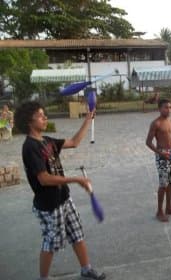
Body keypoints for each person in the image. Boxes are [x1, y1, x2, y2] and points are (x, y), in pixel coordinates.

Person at [14, 102, 105, 280]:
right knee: (52, 242)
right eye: (40, 116)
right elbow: (44, 178)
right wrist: (76, 179)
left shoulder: (46, 140)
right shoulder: (30, 147)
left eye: (44, 114)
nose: (45, 117)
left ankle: (86, 269)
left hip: (63, 197)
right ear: (28, 122)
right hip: (49, 204)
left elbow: (74, 142)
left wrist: (87, 120)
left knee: (77, 233)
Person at [146, 99, 171, 222]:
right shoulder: (155, 123)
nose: (168, 110)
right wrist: (160, 153)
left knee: (170, 181)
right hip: (161, 155)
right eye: (165, 107)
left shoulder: (170, 122)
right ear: (159, 108)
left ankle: (169, 207)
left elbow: (170, 137)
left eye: (169, 107)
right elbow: (148, 142)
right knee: (163, 184)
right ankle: (159, 211)